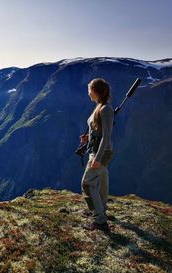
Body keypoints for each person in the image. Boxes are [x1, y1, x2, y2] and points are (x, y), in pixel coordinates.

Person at [80, 78, 115, 231]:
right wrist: (88, 137)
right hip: (98, 151)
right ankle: (102, 211)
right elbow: (100, 132)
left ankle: (99, 220)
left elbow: (106, 137)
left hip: (100, 153)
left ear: (96, 91)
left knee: (87, 184)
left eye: (90, 90)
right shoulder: (100, 107)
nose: (88, 93)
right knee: (101, 183)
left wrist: (97, 158)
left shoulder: (105, 109)